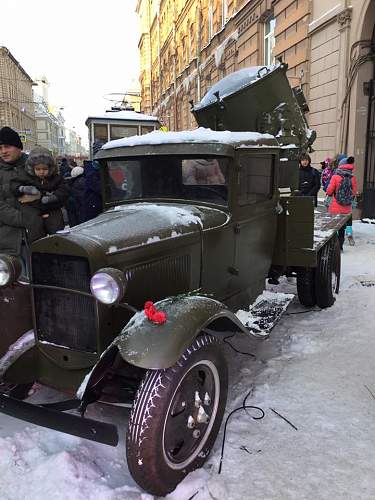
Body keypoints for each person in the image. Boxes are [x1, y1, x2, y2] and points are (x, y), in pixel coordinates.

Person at [11, 147, 70, 236]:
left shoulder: (56, 178)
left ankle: (56, 242)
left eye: (44, 169)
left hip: (52, 208)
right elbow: (14, 185)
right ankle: (36, 246)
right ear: (32, 168)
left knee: (56, 226)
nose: (41, 172)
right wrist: (22, 188)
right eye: (38, 169)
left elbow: (64, 190)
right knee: (34, 228)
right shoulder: (27, 178)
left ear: (50, 168)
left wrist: (53, 197)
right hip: (33, 209)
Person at [0, 126, 40, 257]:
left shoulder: (36, 167)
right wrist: (26, 219)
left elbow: (51, 192)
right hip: (8, 242)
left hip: (37, 236)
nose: (3, 151)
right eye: (0, 148)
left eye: (7, 146)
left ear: (18, 147)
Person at [326, 156, 358, 249]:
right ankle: (340, 246)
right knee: (342, 228)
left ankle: (334, 247)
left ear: (340, 165)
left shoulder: (335, 177)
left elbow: (329, 191)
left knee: (335, 226)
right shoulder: (352, 178)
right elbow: (354, 192)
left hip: (335, 206)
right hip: (346, 207)